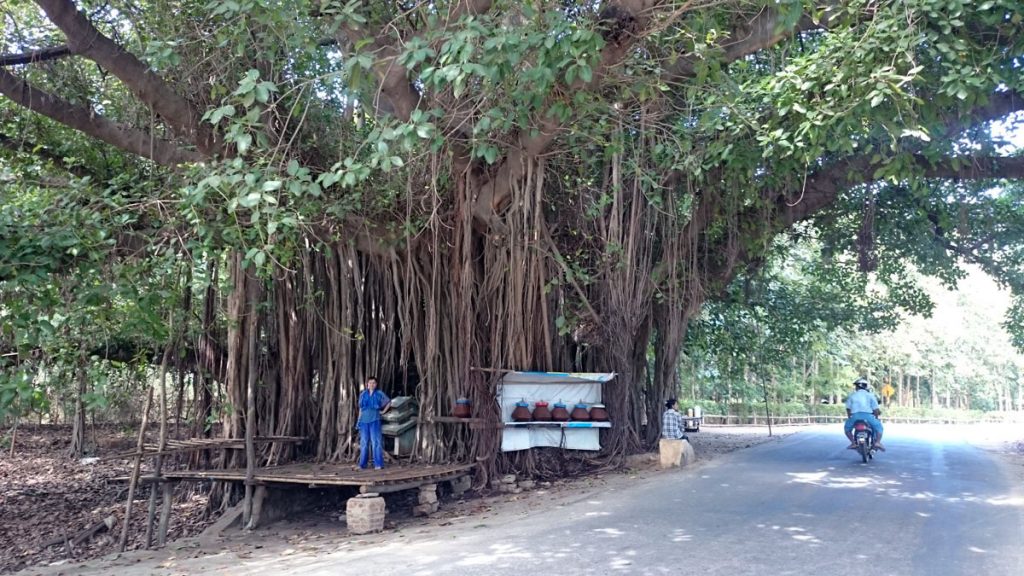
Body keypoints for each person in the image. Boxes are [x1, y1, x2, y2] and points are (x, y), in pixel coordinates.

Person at [358, 376, 391, 469]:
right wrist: (359, 420)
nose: (371, 385)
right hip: (364, 421)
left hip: (375, 420)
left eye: (373, 383)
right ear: (367, 384)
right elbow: (361, 408)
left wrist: (383, 411)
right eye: (370, 383)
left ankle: (378, 464)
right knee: (364, 443)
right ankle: (362, 465)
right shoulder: (363, 394)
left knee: (376, 442)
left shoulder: (379, 394)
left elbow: (388, 402)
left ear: (376, 385)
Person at [844, 377, 885, 451]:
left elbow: (848, 409)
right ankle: (878, 442)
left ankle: (853, 443)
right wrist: (876, 417)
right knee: (879, 428)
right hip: (868, 416)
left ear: (856, 387)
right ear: (866, 387)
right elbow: (875, 409)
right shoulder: (870, 395)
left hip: (855, 416)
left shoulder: (852, 396)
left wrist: (850, 417)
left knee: (847, 429)